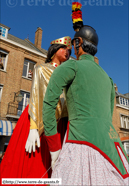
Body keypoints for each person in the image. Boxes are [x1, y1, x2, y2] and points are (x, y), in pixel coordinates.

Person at [43, 25, 129, 185]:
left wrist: (54, 147)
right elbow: (109, 114)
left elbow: (48, 103)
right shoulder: (108, 78)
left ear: (78, 42)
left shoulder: (71, 66)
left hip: (80, 144)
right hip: (112, 148)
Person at [0, 36, 72, 180]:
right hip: (37, 116)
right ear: (55, 50)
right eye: (64, 48)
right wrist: (33, 128)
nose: (67, 52)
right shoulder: (41, 68)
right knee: (34, 161)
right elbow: (36, 95)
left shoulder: (68, 74)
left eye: (69, 50)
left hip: (60, 122)